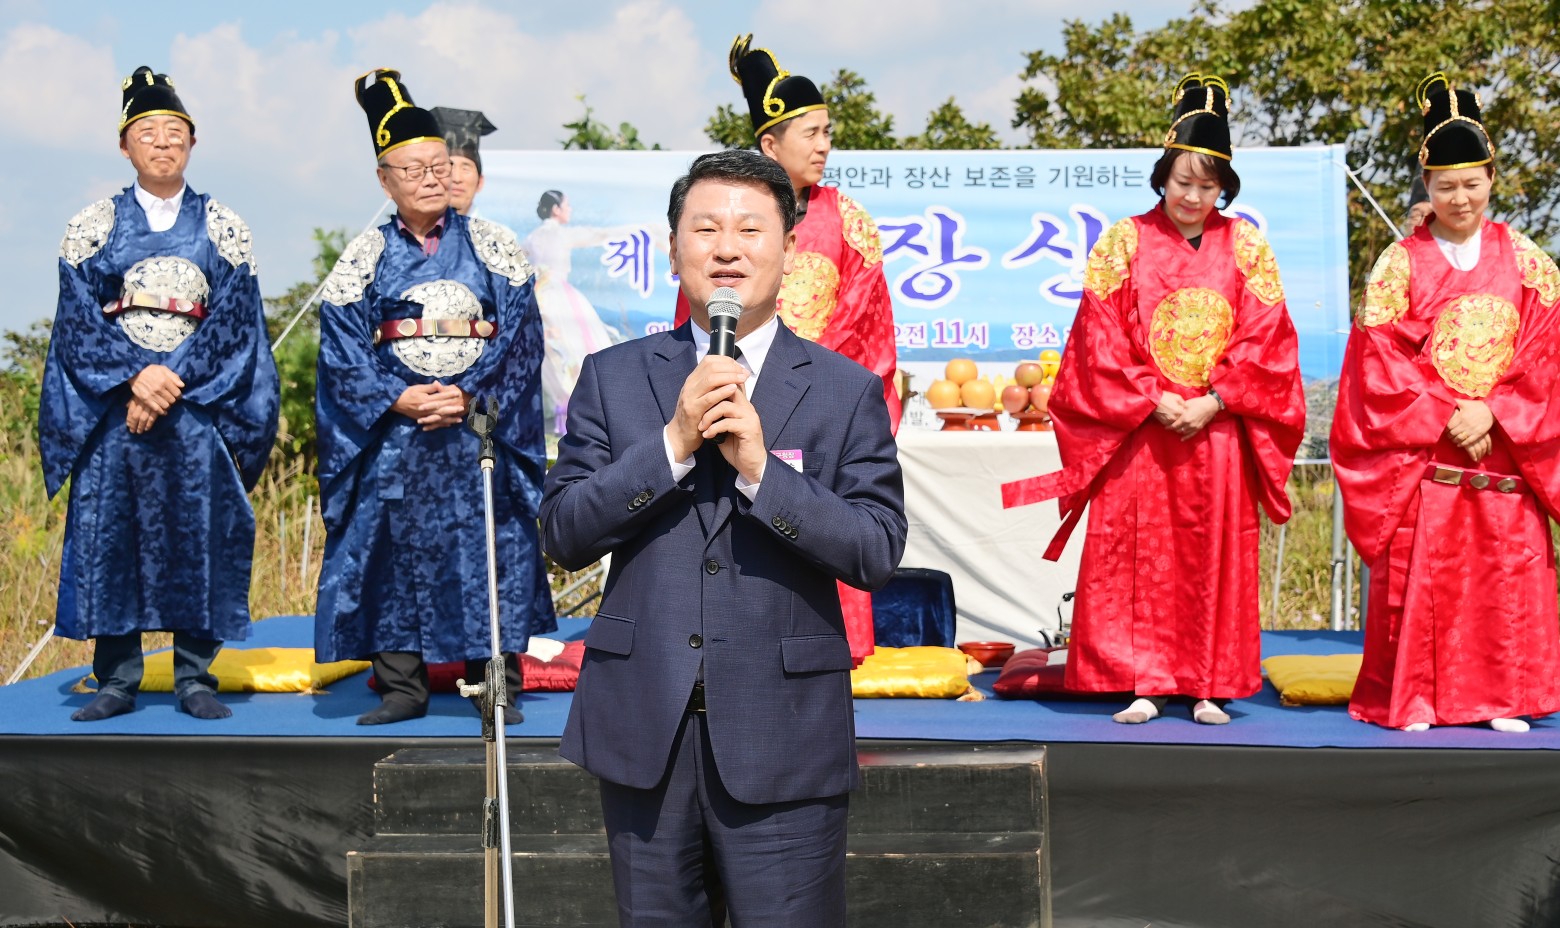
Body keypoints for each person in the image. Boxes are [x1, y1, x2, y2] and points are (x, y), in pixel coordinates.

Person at [541, 149, 907, 924]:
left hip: (785, 736)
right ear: (673, 247)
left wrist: (762, 473)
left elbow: (875, 548)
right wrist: (671, 445)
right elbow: (565, 533)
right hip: (644, 730)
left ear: (789, 248)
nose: (727, 248)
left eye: (750, 228)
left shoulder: (843, 390)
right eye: (705, 228)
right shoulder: (614, 377)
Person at [1001, 73, 1305, 725]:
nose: (1192, 196)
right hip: (1142, 429)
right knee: (1141, 554)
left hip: (1215, 431)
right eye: (1182, 181)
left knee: (1209, 554)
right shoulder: (1124, 242)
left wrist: (1216, 398)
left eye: (1207, 186)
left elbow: (1268, 339)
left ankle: (1208, 682)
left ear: (1224, 188)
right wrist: (1151, 396)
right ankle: (1143, 679)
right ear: (1162, 176)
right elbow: (1097, 340)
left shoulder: (1247, 246)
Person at [314, 69, 554, 725]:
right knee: (391, 551)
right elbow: (340, 351)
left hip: (476, 433)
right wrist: (399, 398)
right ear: (384, 179)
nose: (430, 178)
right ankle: (402, 687)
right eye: (413, 169)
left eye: (439, 166)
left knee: (490, 549)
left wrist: (467, 394)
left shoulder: (495, 246)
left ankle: (496, 683)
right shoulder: (362, 256)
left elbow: (522, 339)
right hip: (398, 434)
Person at [39, 66, 279, 722]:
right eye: (147, 132)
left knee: (197, 533)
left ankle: (194, 676)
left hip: (194, 408)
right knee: (112, 534)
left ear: (192, 142)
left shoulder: (224, 225)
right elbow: (77, 319)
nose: (163, 143)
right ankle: (117, 678)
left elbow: (237, 321)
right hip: (116, 412)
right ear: (125, 146)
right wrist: (133, 377)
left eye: (175, 132)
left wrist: (171, 380)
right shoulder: (93, 224)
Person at [1331, 72, 1560, 733]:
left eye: (1472, 183)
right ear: (1426, 187)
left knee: (1503, 576)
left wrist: (1495, 409)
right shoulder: (1398, 264)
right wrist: (1448, 410)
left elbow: (1546, 353)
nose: (1460, 198)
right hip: (1427, 453)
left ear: (1492, 179)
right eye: (1445, 185)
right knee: (1423, 579)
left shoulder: (1529, 261)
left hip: (1505, 448)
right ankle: (1418, 698)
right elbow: (1377, 362)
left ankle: (1504, 698)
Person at [676, 33, 900, 665]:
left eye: (828, 132)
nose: (824, 145)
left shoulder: (850, 222)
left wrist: (812, 392)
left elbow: (869, 328)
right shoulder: (722, 223)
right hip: (729, 405)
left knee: (822, 539)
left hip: (819, 411)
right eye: (812, 133)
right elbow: (694, 315)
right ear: (770, 145)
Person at [523, 190, 639, 428]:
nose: (570, 209)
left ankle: (561, 415)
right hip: (559, 298)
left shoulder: (532, 238)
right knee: (578, 350)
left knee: (552, 357)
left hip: (538, 299)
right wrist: (633, 230)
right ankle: (581, 414)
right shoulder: (561, 234)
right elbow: (598, 234)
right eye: (566, 205)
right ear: (556, 209)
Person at [429, 106, 495, 216]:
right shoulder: (404, 226)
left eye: (466, 169)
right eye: (448, 168)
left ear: (480, 182)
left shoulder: (492, 228)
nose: (456, 179)